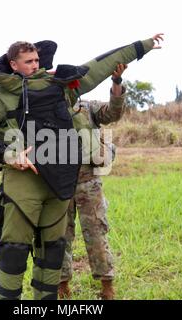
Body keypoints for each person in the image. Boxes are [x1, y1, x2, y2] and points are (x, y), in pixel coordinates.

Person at [0, 34, 163, 300]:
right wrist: (9, 154)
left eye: (37, 60)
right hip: (23, 183)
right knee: (14, 250)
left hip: (61, 183)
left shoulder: (63, 88)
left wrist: (143, 46)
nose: (35, 65)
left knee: (52, 250)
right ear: (13, 64)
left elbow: (101, 65)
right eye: (29, 61)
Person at [58, 63, 127, 300]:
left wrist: (116, 83)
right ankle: (62, 286)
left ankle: (107, 288)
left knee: (97, 233)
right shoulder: (50, 109)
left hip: (89, 181)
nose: (72, 88)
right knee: (59, 235)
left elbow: (113, 113)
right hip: (59, 183)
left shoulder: (87, 107)